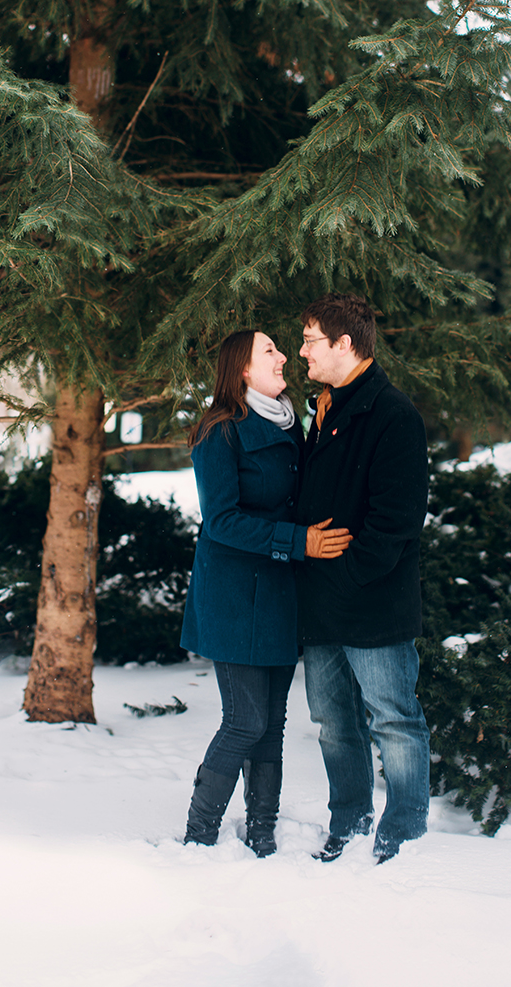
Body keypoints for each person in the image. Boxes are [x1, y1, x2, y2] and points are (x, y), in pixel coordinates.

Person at [180, 329, 352, 856]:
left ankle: (262, 832)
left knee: (271, 724)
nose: (283, 357)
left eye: (280, 348)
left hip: (279, 592)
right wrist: (300, 542)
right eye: (270, 351)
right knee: (245, 720)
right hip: (234, 597)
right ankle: (199, 832)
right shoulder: (221, 432)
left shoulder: (289, 423)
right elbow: (222, 521)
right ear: (242, 371)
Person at [294, 292, 430, 865]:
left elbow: (395, 522)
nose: (302, 351)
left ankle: (406, 827)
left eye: (309, 340)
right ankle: (348, 818)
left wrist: (345, 578)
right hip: (320, 605)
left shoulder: (393, 415)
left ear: (344, 344)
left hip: (371, 604)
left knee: (394, 720)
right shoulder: (324, 408)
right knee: (331, 722)